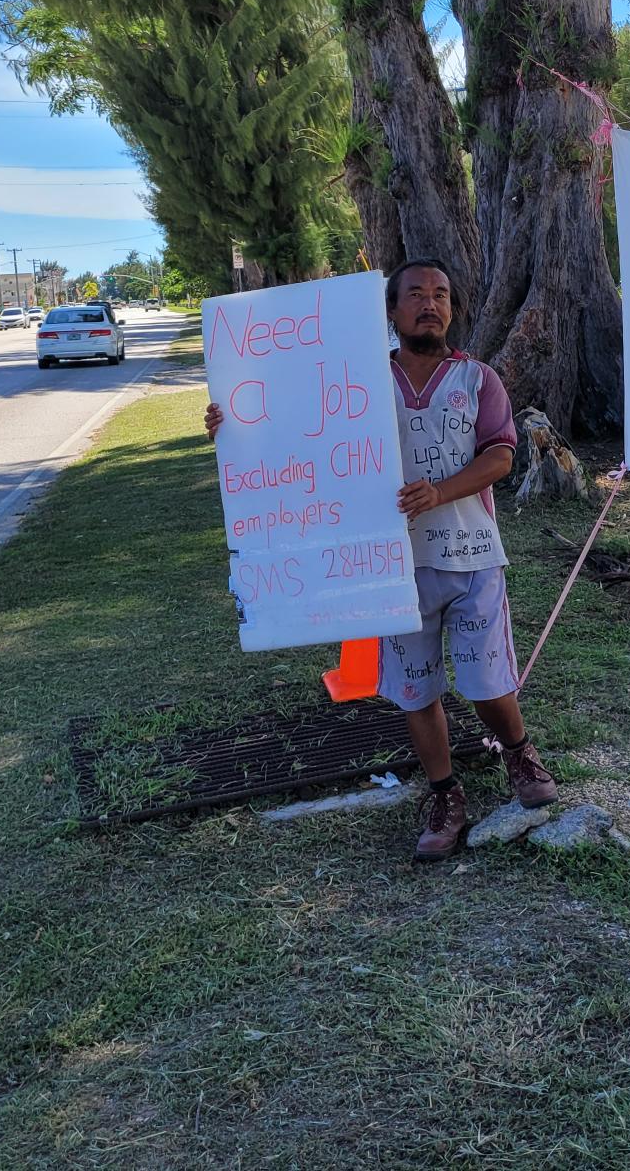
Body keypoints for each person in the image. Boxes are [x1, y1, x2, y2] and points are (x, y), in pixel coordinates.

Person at [204, 260, 557, 861]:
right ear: (391, 311)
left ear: (453, 308)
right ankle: (445, 793)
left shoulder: (477, 380)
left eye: (441, 294)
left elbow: (499, 456)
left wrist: (440, 492)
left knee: (486, 679)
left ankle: (519, 754)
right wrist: (230, 425)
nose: (430, 303)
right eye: (415, 294)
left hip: (470, 557)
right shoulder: (357, 379)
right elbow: (295, 428)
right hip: (388, 566)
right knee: (416, 690)